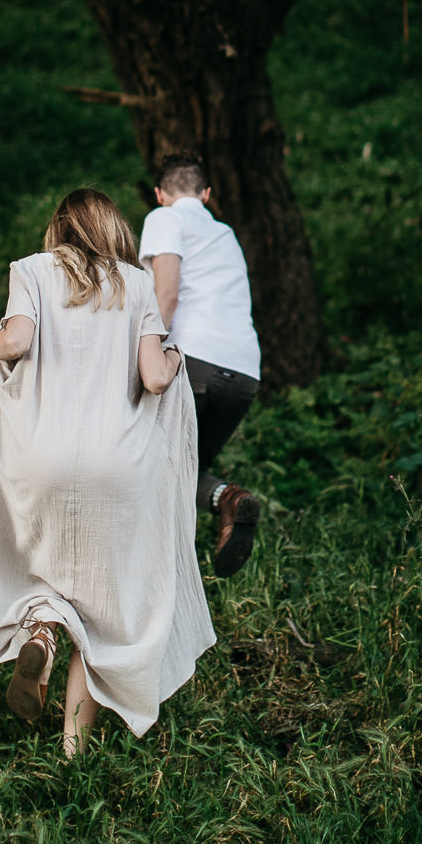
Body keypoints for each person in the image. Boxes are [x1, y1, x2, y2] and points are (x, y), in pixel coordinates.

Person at [0, 188, 215, 757]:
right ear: (113, 228)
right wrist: (175, 357)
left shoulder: (30, 271)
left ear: (59, 228)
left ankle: (41, 637)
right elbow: (155, 378)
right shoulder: (137, 284)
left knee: (42, 571)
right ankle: (73, 754)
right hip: (117, 466)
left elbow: (16, 341)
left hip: (37, 459)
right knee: (102, 611)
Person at [139, 151, 262, 578]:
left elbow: (166, 294)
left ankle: (158, 576)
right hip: (244, 373)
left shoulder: (163, 218)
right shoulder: (225, 233)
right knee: (180, 470)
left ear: (160, 193)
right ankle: (228, 501)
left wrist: (146, 355)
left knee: (149, 463)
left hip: (194, 363)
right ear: (206, 194)